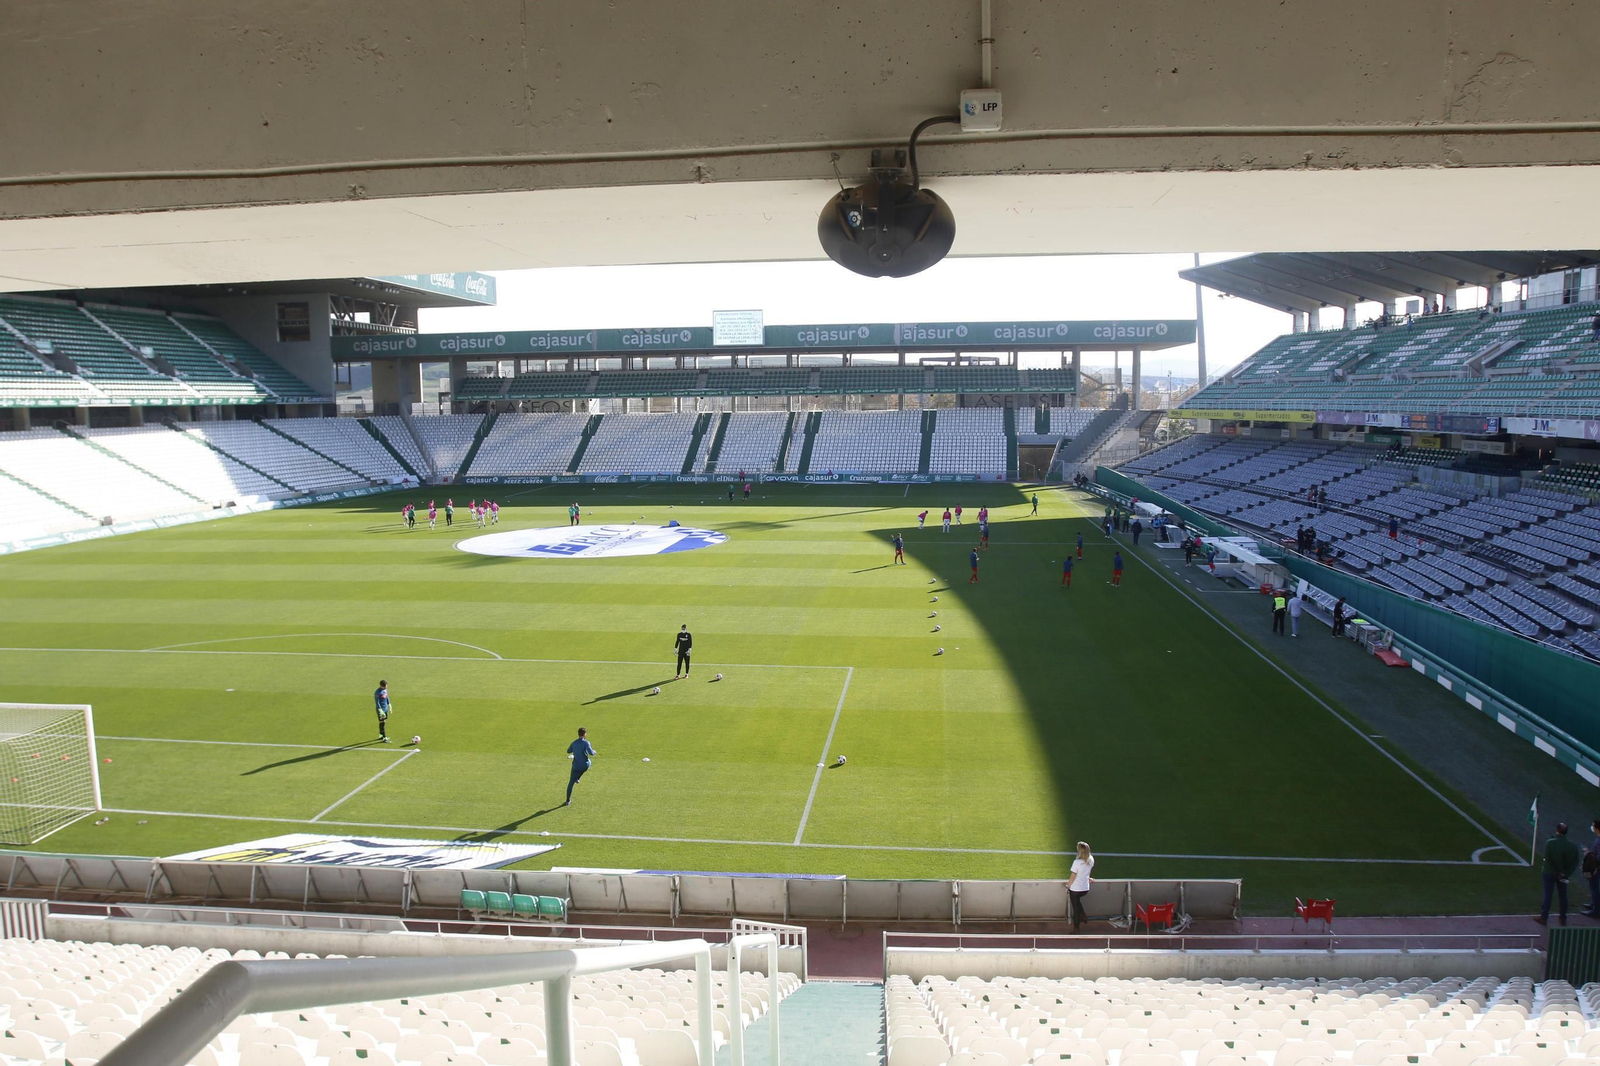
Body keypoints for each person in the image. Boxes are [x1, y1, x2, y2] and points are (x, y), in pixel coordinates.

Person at [1539, 822, 1582, 926]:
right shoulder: (1572, 847)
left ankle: (1544, 917)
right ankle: (1563, 918)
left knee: (1548, 894)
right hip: (1564, 875)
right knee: (1563, 896)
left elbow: (1549, 858)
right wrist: (1565, 872)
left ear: (1557, 830)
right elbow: (1575, 862)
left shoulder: (1550, 843)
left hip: (1549, 872)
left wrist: (1560, 869)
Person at [565, 727, 596, 806]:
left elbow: (568, 751)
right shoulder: (586, 743)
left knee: (570, 783)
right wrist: (594, 752)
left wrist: (575, 750)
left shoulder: (574, 743)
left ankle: (567, 800)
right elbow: (591, 753)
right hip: (584, 765)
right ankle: (578, 778)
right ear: (585, 734)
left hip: (575, 766)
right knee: (589, 762)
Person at [1068, 841, 1094, 932]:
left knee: (1076, 909)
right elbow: (1087, 872)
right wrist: (1088, 878)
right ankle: (1083, 915)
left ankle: (1076, 929)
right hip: (1085, 888)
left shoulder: (1077, 862)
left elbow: (1072, 876)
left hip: (1075, 889)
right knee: (1077, 903)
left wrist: (1068, 886)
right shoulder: (1091, 859)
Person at [1583, 820, 1600, 918]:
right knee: (1593, 887)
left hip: (1595, 868)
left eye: (1593, 825)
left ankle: (1595, 910)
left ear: (1597, 828)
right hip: (1595, 867)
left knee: (1595, 888)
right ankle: (1593, 904)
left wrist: (1590, 855)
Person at [373, 679, 392, 743]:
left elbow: (387, 697)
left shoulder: (385, 690)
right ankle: (384, 737)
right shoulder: (377, 692)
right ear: (383, 685)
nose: (387, 686)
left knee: (383, 722)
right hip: (381, 710)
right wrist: (380, 711)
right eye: (386, 685)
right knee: (382, 722)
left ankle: (381, 735)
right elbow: (377, 702)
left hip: (385, 709)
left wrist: (389, 705)